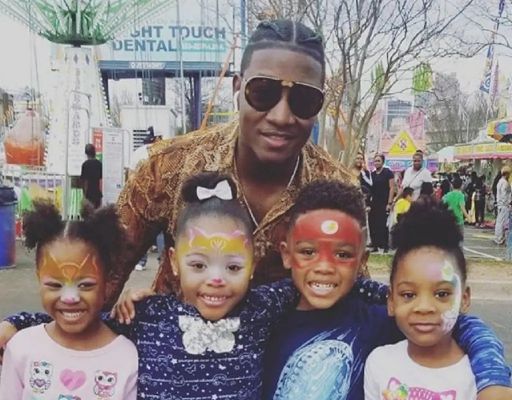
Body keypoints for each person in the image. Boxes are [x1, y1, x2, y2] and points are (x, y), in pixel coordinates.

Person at [110, 19, 353, 307]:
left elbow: (355, 304)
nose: (281, 116)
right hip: (176, 334)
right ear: (238, 87)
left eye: (304, 99)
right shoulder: (168, 166)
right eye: (263, 92)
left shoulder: (339, 191)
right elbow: (100, 279)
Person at [0, 173, 300, 399]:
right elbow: (85, 317)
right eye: (198, 265)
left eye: (233, 267)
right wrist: (18, 322)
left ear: (253, 264)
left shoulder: (262, 309)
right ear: (173, 261)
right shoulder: (148, 314)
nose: (216, 279)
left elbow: (310, 280)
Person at [262, 180, 512, 400]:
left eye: (343, 254)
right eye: (308, 252)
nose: (324, 267)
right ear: (287, 254)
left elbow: (459, 327)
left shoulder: (379, 320)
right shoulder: (263, 323)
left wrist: (492, 377)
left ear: (362, 260)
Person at [0, 201, 138, 399]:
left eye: (86, 285)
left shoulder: (127, 358)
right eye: (55, 285)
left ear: (108, 281)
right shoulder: (21, 348)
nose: (70, 298)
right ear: (39, 279)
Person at [364, 202, 475, 399]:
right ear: (391, 301)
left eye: (441, 294)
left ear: (464, 299)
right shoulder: (379, 363)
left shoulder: (477, 379)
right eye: (408, 295)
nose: (424, 307)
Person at [129, 127, 164, 271]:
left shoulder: (137, 153)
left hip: (141, 196)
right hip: (159, 197)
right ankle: (163, 260)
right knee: (161, 229)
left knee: (141, 229)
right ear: (157, 138)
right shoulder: (163, 152)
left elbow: (131, 176)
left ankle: (141, 261)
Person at [369, 153, 395, 253]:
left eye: (378, 161)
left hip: (384, 202)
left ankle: (385, 246)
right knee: (373, 223)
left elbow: (392, 188)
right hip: (374, 202)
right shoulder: (372, 175)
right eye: (375, 161)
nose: (376, 163)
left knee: (383, 224)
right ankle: (375, 245)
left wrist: (389, 203)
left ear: (383, 162)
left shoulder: (388, 172)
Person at [80, 143, 102, 208]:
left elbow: (85, 181)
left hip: (89, 194)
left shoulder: (85, 164)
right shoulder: (99, 164)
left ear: (86, 153)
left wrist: (84, 195)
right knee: (97, 212)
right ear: (94, 152)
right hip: (97, 194)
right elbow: (100, 179)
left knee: (89, 212)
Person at [494, 166, 511, 245]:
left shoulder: (500, 181)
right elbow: (504, 195)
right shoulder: (504, 183)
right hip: (504, 205)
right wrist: (507, 203)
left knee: (499, 222)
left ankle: (498, 237)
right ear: (506, 174)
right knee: (503, 222)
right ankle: (500, 238)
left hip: (500, 205)